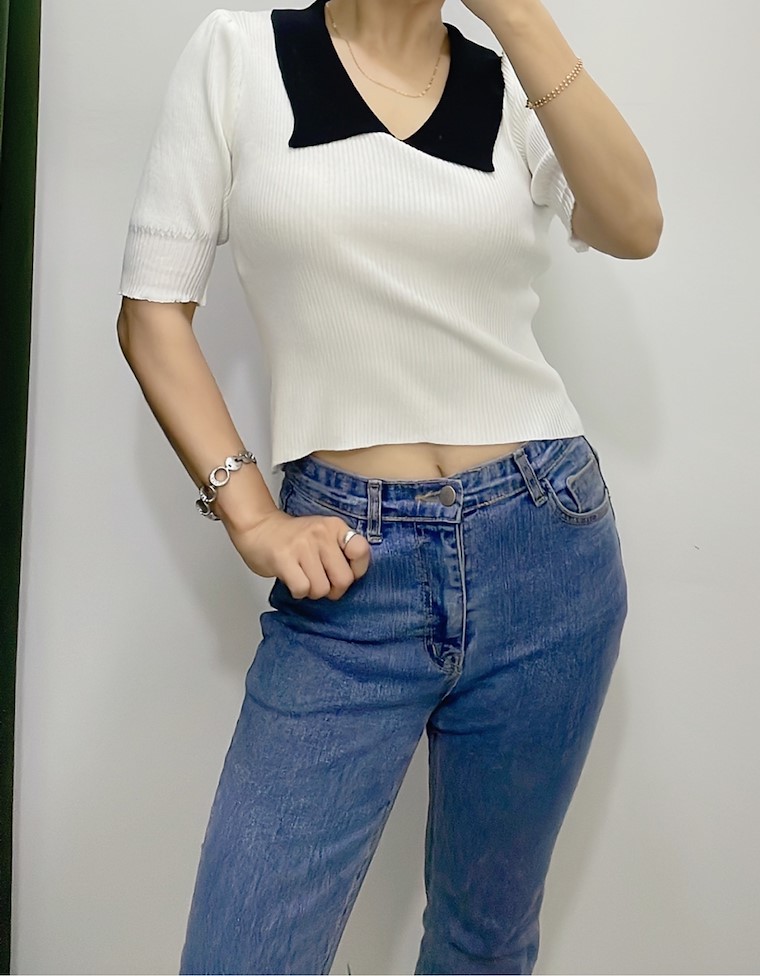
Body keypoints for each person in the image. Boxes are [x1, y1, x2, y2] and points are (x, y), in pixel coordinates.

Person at [116, 0, 661, 972]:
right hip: (347, 566)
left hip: (545, 549)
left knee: (483, 942)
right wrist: (251, 515)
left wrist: (519, 17)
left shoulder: (511, 83)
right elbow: (153, 310)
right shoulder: (240, 56)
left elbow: (633, 224)